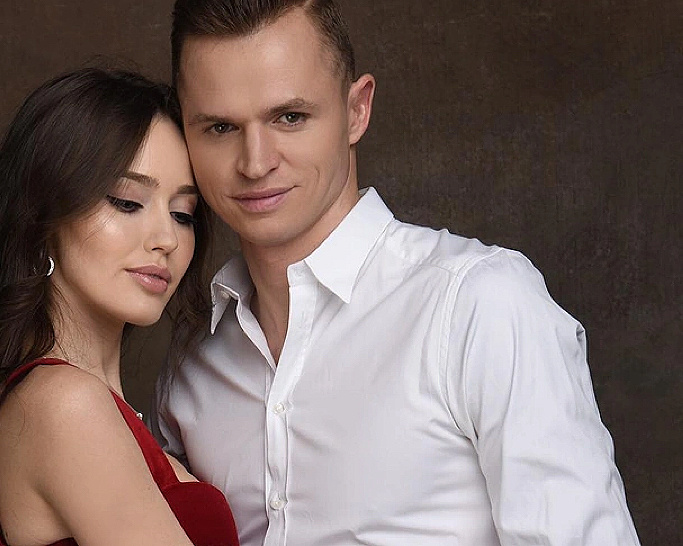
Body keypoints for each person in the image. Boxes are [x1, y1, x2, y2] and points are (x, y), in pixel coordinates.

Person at [154, 1, 642, 544]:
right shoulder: (194, 361)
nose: (255, 162)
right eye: (220, 127)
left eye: (290, 117)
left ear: (356, 110)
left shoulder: (479, 306)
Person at [0, 67, 239, 546]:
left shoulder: (78, 404)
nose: (166, 239)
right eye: (127, 202)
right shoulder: (66, 405)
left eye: (183, 214)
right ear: (43, 219)